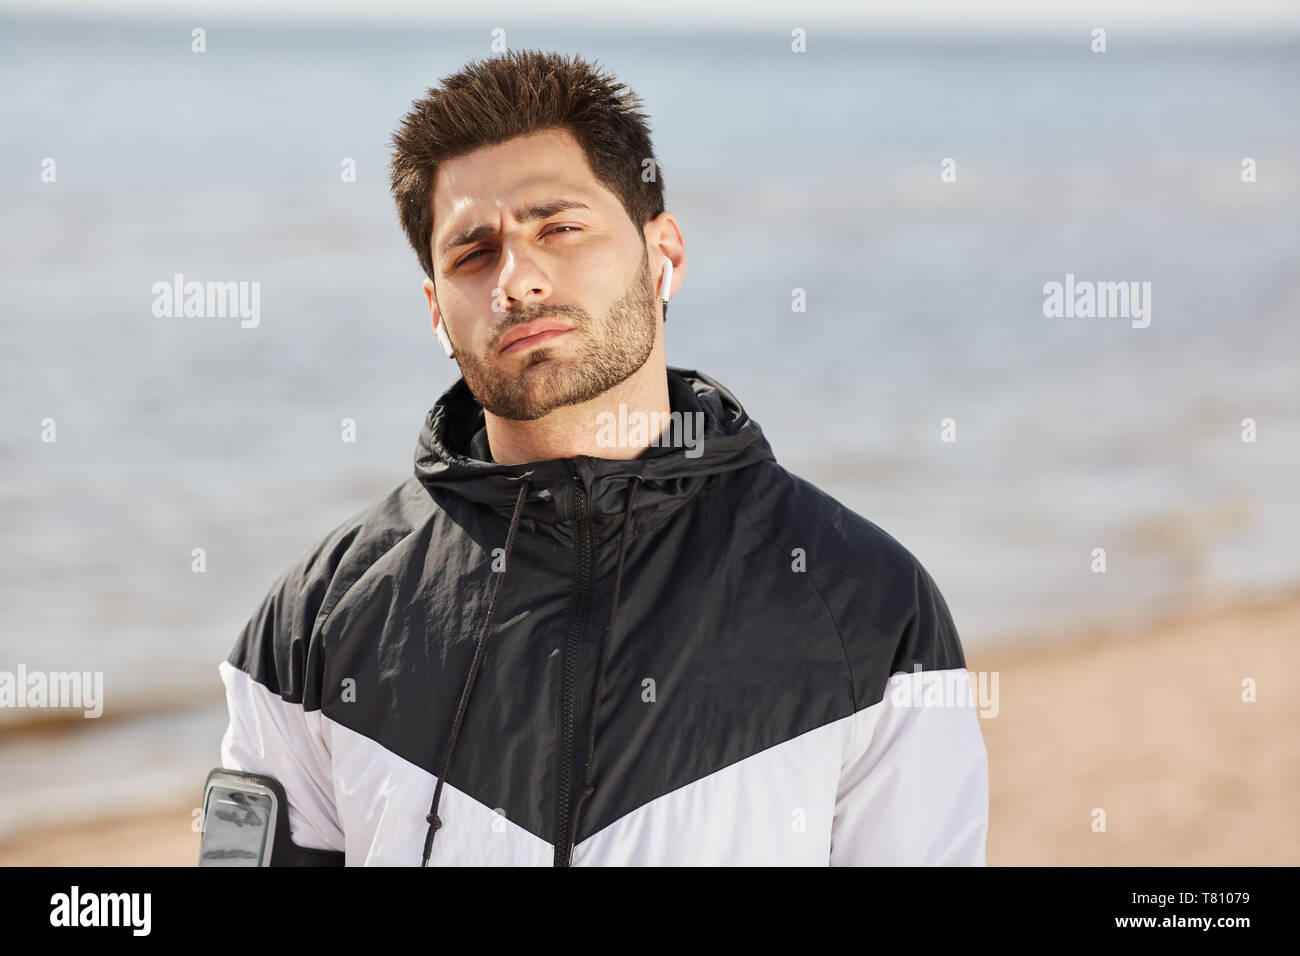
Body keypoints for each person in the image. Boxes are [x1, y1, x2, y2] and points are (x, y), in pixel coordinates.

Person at [214, 49, 989, 866]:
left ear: (666, 256)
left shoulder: (868, 606)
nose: (519, 279)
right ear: (437, 312)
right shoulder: (311, 625)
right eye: (474, 254)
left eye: (560, 227)